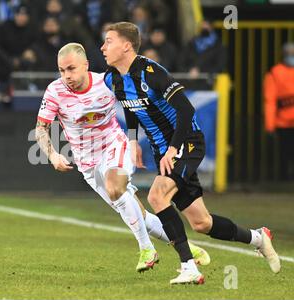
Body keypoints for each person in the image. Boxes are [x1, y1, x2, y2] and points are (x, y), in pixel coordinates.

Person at [101, 22, 280, 284]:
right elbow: (130, 106)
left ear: (126, 45)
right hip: (164, 149)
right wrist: (133, 141)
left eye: (108, 41)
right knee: (202, 223)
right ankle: (258, 238)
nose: (102, 46)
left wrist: (173, 148)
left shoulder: (151, 72)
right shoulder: (112, 78)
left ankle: (189, 267)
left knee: (157, 195)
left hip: (186, 142)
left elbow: (186, 110)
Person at [35, 42, 210, 273]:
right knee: (138, 215)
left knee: (115, 188)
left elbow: (133, 104)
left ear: (86, 65)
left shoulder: (105, 82)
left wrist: (133, 139)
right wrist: (52, 154)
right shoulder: (55, 91)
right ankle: (188, 248)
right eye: (62, 70)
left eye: (71, 68)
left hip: (114, 145)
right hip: (87, 162)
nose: (66, 75)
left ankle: (146, 249)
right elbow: (40, 128)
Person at [264, 42, 294, 181]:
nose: (291, 56)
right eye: (288, 53)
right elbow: (270, 100)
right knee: (285, 153)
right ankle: (283, 179)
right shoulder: (275, 72)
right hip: (283, 122)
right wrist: (270, 125)